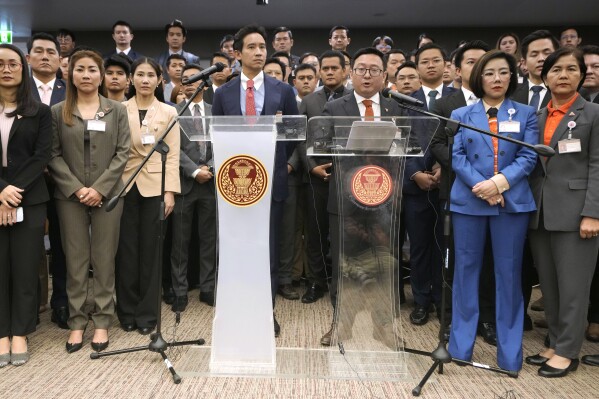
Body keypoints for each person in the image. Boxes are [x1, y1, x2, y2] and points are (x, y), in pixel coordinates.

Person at [448, 50, 538, 373]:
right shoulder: (461, 113)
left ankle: (510, 356)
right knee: (465, 274)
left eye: (503, 72)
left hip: (511, 203)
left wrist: (499, 183)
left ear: (512, 77)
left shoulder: (526, 113)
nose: (497, 79)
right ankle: (459, 348)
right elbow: (457, 158)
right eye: (489, 73)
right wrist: (482, 187)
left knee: (509, 277)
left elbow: (529, 158)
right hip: (470, 202)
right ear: (478, 78)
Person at [211, 24, 299, 337]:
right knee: (237, 250)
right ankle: (237, 311)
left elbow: (292, 136)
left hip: (271, 183)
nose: (259, 52)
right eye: (251, 47)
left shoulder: (283, 91)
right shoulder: (223, 93)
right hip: (235, 186)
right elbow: (217, 138)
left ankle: (266, 312)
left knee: (268, 252)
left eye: (262, 46)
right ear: (237, 53)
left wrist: (273, 147)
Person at [48, 49, 130, 353]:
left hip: (108, 195)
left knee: (104, 258)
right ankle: (77, 321)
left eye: (92, 70)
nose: (86, 75)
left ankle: (103, 320)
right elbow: (52, 154)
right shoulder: (58, 111)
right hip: (69, 196)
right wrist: (76, 188)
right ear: (70, 74)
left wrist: (100, 188)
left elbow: (123, 152)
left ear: (102, 75)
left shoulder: (116, 110)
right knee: (76, 260)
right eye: (80, 69)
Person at [526, 47, 599, 378]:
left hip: (577, 214)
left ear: (581, 75)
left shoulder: (593, 113)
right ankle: (555, 341)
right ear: (545, 77)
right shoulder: (537, 115)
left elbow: (598, 166)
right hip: (540, 212)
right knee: (550, 286)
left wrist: (593, 213)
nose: (564, 75)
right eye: (556, 70)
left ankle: (569, 351)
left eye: (571, 69)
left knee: (573, 285)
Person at [116, 57, 180, 335]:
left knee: (152, 251)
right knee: (126, 250)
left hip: (157, 185)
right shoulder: (118, 109)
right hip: (124, 184)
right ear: (131, 79)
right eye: (139, 74)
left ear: (159, 80)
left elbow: (174, 154)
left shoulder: (169, 112)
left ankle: (147, 314)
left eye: (150, 75)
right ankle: (127, 311)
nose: (144, 80)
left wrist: (170, 192)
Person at [0, 44, 52, 367]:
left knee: (23, 265)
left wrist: (13, 191)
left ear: (24, 69)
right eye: (0, 64)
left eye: (12, 64)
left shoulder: (40, 112)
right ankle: (1, 332)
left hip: (29, 197)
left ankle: (20, 331)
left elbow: (42, 155)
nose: (5, 69)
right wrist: (0, 191)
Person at [170, 64, 217, 312]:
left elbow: (223, 143)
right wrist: (194, 170)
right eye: (185, 79)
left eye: (195, 79)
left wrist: (209, 167)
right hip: (185, 182)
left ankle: (208, 287)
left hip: (211, 183)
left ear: (206, 83)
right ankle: (179, 290)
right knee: (180, 241)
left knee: (209, 239)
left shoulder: (214, 111)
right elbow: (171, 148)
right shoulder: (173, 112)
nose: (189, 83)